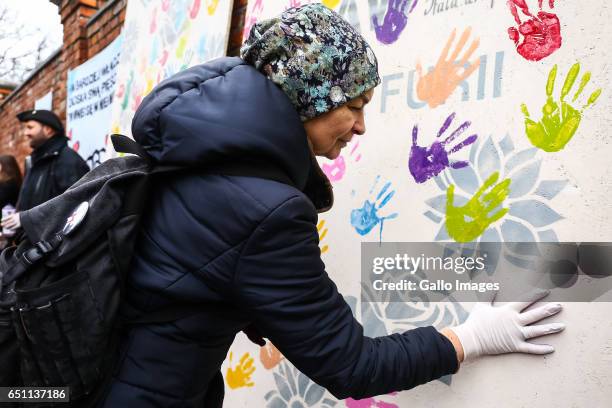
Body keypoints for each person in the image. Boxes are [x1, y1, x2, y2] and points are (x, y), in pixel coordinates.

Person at [99, 5, 565, 407]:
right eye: (355, 105)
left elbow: (190, 272)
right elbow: (353, 367)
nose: (361, 127)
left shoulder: (197, 153)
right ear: (308, 97)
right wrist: (470, 338)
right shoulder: (266, 210)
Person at [0, 109, 89, 232]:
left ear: (48, 130)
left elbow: (73, 206)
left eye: (30, 127)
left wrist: (25, 219)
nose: (25, 133)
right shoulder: (35, 161)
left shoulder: (67, 160)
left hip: (53, 246)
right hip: (33, 242)